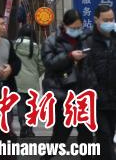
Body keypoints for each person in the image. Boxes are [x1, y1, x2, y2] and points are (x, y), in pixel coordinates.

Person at [40, 9, 94, 159]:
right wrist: (69, 57)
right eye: (74, 28)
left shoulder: (85, 38)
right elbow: (49, 63)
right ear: (65, 25)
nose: (77, 31)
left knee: (86, 135)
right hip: (62, 93)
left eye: (79, 27)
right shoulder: (52, 40)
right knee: (60, 136)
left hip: (82, 92)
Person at [85, 4, 116, 160]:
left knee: (109, 138)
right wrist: (94, 90)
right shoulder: (88, 42)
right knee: (104, 137)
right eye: (106, 20)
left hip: (114, 99)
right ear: (96, 20)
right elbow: (84, 70)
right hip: (97, 101)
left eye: (112, 19)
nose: (110, 22)